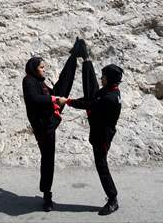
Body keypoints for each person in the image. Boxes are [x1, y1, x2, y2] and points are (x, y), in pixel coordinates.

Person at [58, 38, 123, 216]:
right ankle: (112, 198)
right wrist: (86, 61)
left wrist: (68, 101)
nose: (101, 78)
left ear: (109, 80)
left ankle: (113, 199)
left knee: (102, 167)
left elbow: (88, 103)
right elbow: (93, 90)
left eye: (104, 76)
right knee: (101, 166)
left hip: (102, 137)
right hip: (103, 131)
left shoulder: (107, 97)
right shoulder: (113, 91)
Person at [22, 38, 84, 212]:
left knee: (63, 86)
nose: (44, 70)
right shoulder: (28, 81)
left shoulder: (39, 82)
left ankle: (73, 58)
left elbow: (54, 92)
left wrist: (57, 95)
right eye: (42, 67)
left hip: (49, 121)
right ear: (34, 69)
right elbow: (34, 99)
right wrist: (55, 98)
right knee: (47, 159)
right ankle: (47, 196)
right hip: (43, 126)